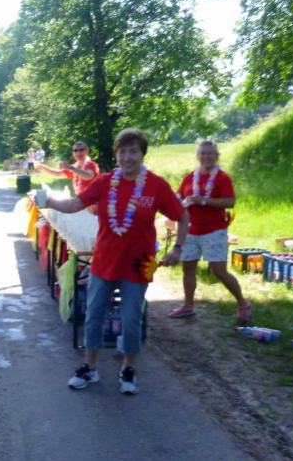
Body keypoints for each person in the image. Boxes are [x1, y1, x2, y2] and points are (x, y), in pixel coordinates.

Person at [45, 129, 189, 394]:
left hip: (137, 264)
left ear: (142, 154)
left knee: (131, 318)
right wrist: (50, 202)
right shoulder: (104, 181)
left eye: (133, 151)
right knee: (94, 315)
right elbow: (76, 204)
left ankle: (127, 369)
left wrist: (178, 248)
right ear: (116, 155)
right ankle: (90, 368)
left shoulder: (156, 185)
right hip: (104, 260)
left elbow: (182, 216)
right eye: (122, 151)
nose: (127, 157)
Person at [169, 140, 251, 322]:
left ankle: (243, 303)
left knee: (219, 271)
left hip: (214, 231)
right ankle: (188, 305)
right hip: (190, 230)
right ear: (197, 156)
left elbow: (230, 202)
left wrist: (203, 200)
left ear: (216, 156)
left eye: (210, 153)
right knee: (188, 268)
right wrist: (176, 202)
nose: (206, 157)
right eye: (203, 153)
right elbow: (178, 196)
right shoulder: (190, 177)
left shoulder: (222, 178)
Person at [35, 141, 99, 195]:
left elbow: (88, 176)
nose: (78, 152)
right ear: (73, 153)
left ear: (86, 152)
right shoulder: (74, 167)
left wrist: (71, 169)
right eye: (75, 150)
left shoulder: (91, 164)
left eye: (81, 150)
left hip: (93, 202)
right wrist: (44, 168)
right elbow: (57, 174)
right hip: (81, 201)